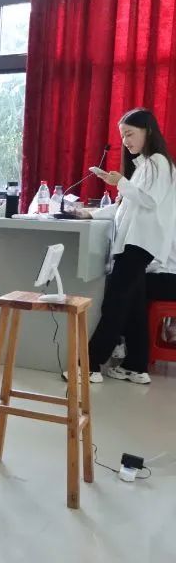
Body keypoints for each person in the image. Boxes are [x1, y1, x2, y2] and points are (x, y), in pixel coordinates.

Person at [70, 108, 176, 385]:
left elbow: (149, 201)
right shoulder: (146, 166)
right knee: (133, 306)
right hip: (135, 243)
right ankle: (136, 367)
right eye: (123, 136)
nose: (125, 141)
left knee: (114, 304)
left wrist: (122, 183)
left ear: (147, 131)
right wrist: (93, 211)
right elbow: (127, 208)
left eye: (129, 134)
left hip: (140, 244)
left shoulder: (158, 163)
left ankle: (89, 365)